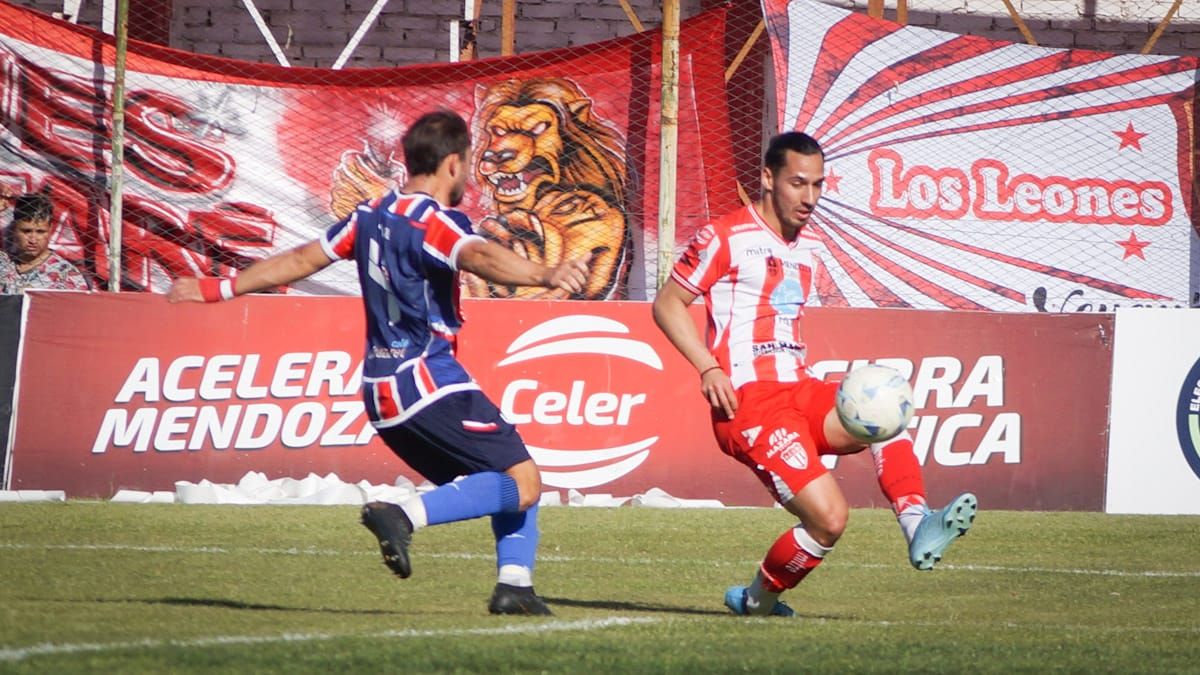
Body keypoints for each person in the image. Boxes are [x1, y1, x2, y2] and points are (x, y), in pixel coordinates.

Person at [167, 110, 590, 616]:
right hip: (428, 381)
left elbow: (302, 260)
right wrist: (547, 273)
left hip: (381, 393)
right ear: (453, 164)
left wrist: (216, 287)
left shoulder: (368, 216)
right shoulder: (432, 221)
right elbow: (477, 255)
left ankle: (515, 588)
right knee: (523, 481)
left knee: (510, 474)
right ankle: (403, 516)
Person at [652, 131, 977, 617]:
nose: (809, 198)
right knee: (830, 519)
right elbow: (667, 304)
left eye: (818, 185)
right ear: (767, 178)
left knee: (882, 407)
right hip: (748, 404)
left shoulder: (808, 249)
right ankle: (760, 599)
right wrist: (708, 367)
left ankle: (916, 524)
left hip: (798, 389)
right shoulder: (725, 237)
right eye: (798, 183)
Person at [0, 191, 91, 294]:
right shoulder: (3, 262)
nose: (33, 240)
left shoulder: (66, 275)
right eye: (26, 231)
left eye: (40, 232)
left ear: (50, 230)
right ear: (15, 229)